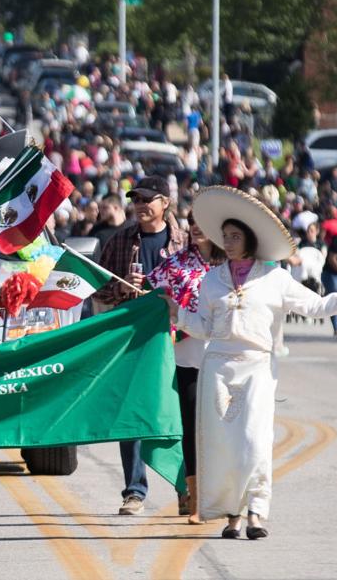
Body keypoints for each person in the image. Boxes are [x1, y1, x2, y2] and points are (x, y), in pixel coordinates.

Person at [175, 186, 337, 540]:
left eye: (235, 236)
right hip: (218, 368)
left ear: (250, 240)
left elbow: (317, 306)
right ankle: (233, 515)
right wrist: (176, 313)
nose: (228, 242)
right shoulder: (211, 280)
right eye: (224, 236)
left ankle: (257, 510)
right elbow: (204, 326)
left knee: (254, 440)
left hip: (256, 367)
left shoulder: (275, 278)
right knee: (222, 444)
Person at [87, 175, 187, 516]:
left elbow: (202, 287)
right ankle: (134, 491)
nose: (141, 205)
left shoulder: (184, 242)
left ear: (165, 203)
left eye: (148, 199)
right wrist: (121, 289)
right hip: (132, 339)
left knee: (178, 415)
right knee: (131, 415)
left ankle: (186, 489)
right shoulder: (120, 240)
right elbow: (99, 288)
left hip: (176, 339)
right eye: (136, 199)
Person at [146, 218, 224, 524]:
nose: (197, 226)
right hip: (185, 359)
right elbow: (150, 293)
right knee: (191, 430)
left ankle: (222, 495)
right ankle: (194, 500)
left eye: (205, 221)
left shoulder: (231, 267)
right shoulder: (175, 264)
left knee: (220, 429)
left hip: (223, 359)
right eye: (192, 221)